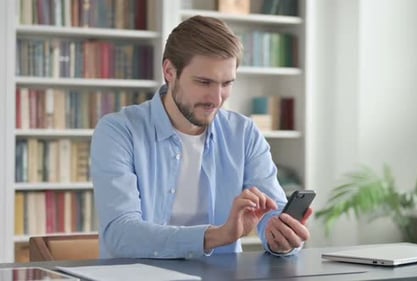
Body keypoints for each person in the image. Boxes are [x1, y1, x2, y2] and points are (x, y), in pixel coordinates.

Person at [90, 15, 312, 259]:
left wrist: (280, 236)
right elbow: (121, 234)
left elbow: (273, 210)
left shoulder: (244, 134)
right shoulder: (118, 132)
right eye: (204, 82)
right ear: (169, 71)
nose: (217, 99)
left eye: (226, 83)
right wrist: (218, 235)